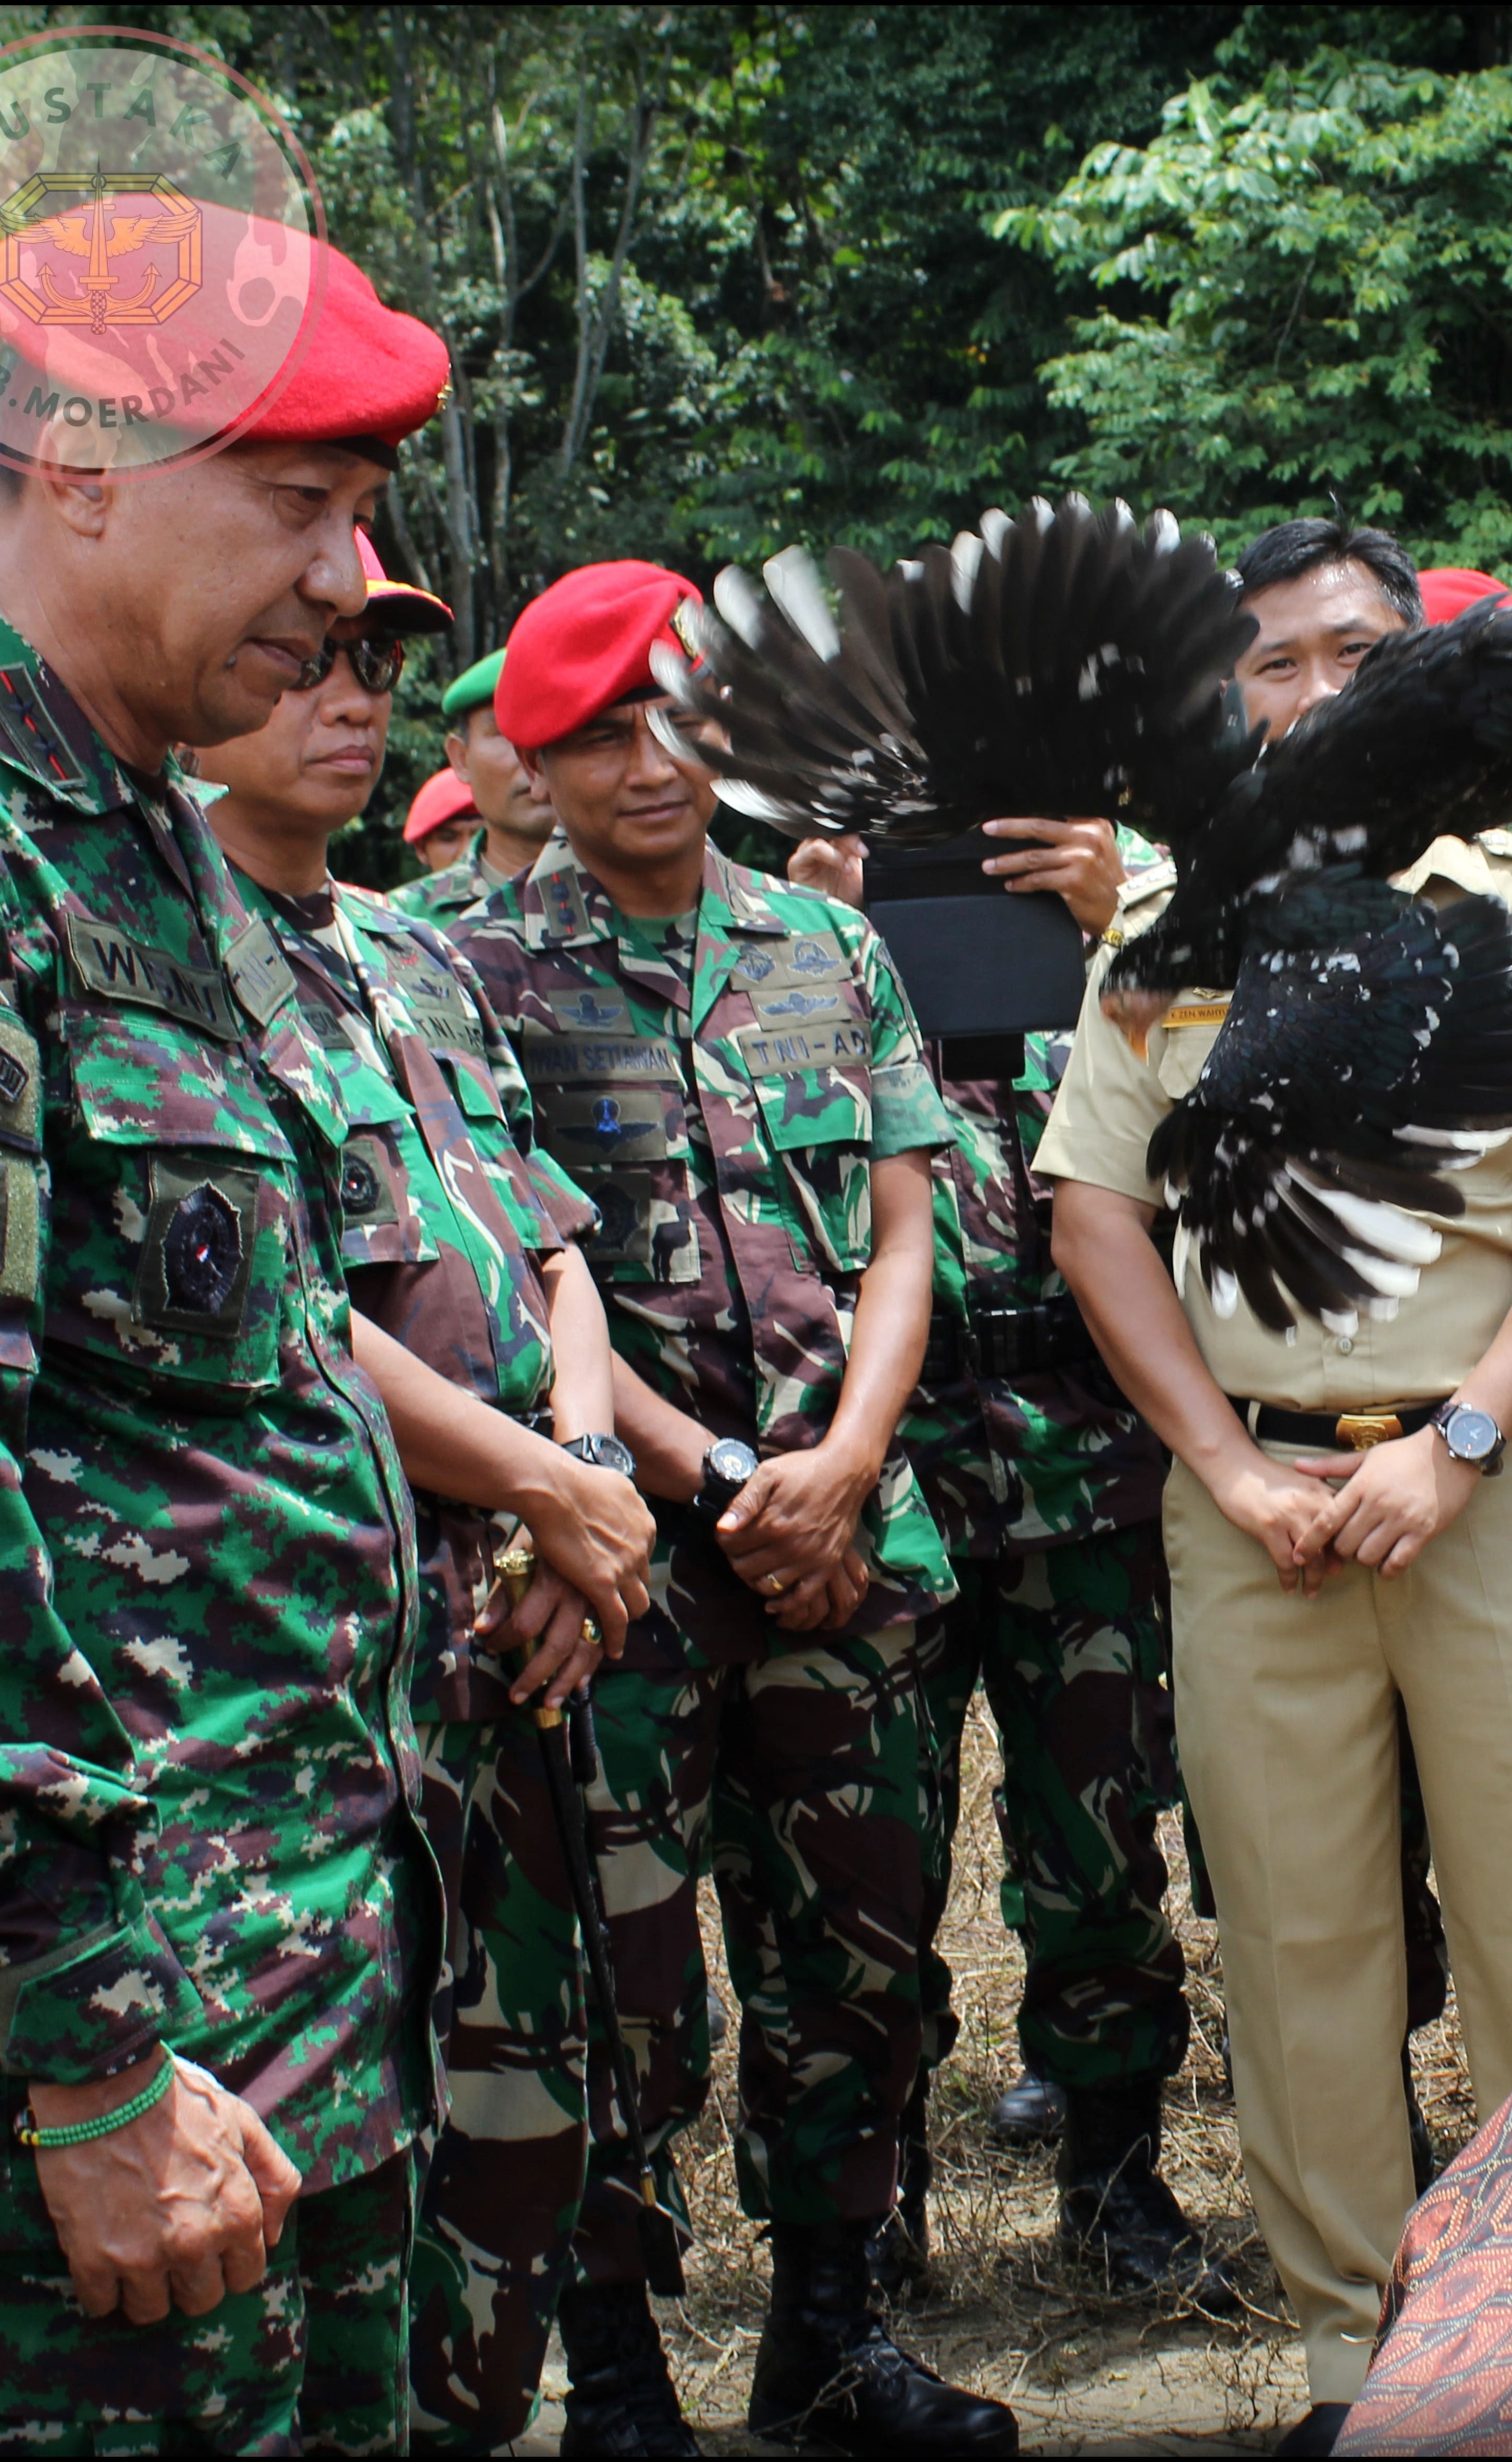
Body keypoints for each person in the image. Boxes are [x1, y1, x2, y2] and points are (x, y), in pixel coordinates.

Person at [0, 233, 453, 2456]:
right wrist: (88, 2048)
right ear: (84, 462)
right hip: (73, 2061)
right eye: (301, 501)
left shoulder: (151, 842)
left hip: (294, 1970)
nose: (348, 574)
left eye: (364, 504)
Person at [1040, 516, 1512, 2455]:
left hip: (1478, 1474)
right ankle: (1352, 2354)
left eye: (1348, 655)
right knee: (1294, 1929)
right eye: (1268, 664)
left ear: (1421, 673)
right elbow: (1091, 1211)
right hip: (1251, 1511)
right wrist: (1227, 1468)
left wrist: (1462, 1436)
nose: (1309, 696)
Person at [451, 562, 1015, 2455]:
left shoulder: (823, 948)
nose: (651, 761)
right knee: (613, 1969)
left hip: (846, 1536)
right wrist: (713, 1476)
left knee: (854, 1944)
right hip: (617, 1546)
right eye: (601, 732)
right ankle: (610, 2376)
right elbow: (517, 1274)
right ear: (531, 757)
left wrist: (849, 1456)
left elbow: (904, 1220)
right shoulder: (473, 974)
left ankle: (829, 2335)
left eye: (678, 719)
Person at [190, 562, 664, 2451]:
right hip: (331, 1654)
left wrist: (586, 1477)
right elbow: (277, 1303)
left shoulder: (412, 954)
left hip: (519, 1632)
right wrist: (552, 1484)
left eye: (373, 666)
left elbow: (546, 1240)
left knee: (525, 2101)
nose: (348, 694)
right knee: (333, 2140)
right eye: (303, 660)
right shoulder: (162, 947)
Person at [784, 820, 1230, 2309]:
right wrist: (818, 932)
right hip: (884, 1490)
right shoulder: (799, 969)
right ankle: (871, 2199)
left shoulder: (1118, 954)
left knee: (1099, 1852)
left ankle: (1115, 2178)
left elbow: (1223, 1156)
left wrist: (1126, 943)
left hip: (1085, 1479)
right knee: (866, 1867)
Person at [391, 647, 559, 920]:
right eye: (507, 733)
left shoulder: (645, 899)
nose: (535, 756)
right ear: (461, 759)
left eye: (556, 727)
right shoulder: (401, 921)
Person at [404, 765, 481, 880]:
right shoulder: (400, 898)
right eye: (448, 838)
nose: (465, 853)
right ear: (421, 849)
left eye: (481, 837)